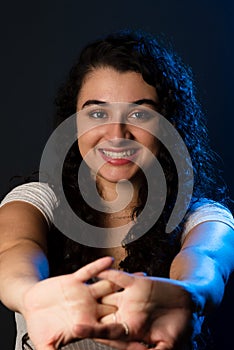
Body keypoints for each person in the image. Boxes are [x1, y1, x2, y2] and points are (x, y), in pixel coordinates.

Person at [0, 29, 234, 350]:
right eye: (97, 113)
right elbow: (12, 252)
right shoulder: (39, 202)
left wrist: (188, 296)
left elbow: (206, 259)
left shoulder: (204, 217)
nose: (116, 133)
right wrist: (28, 296)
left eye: (140, 114)